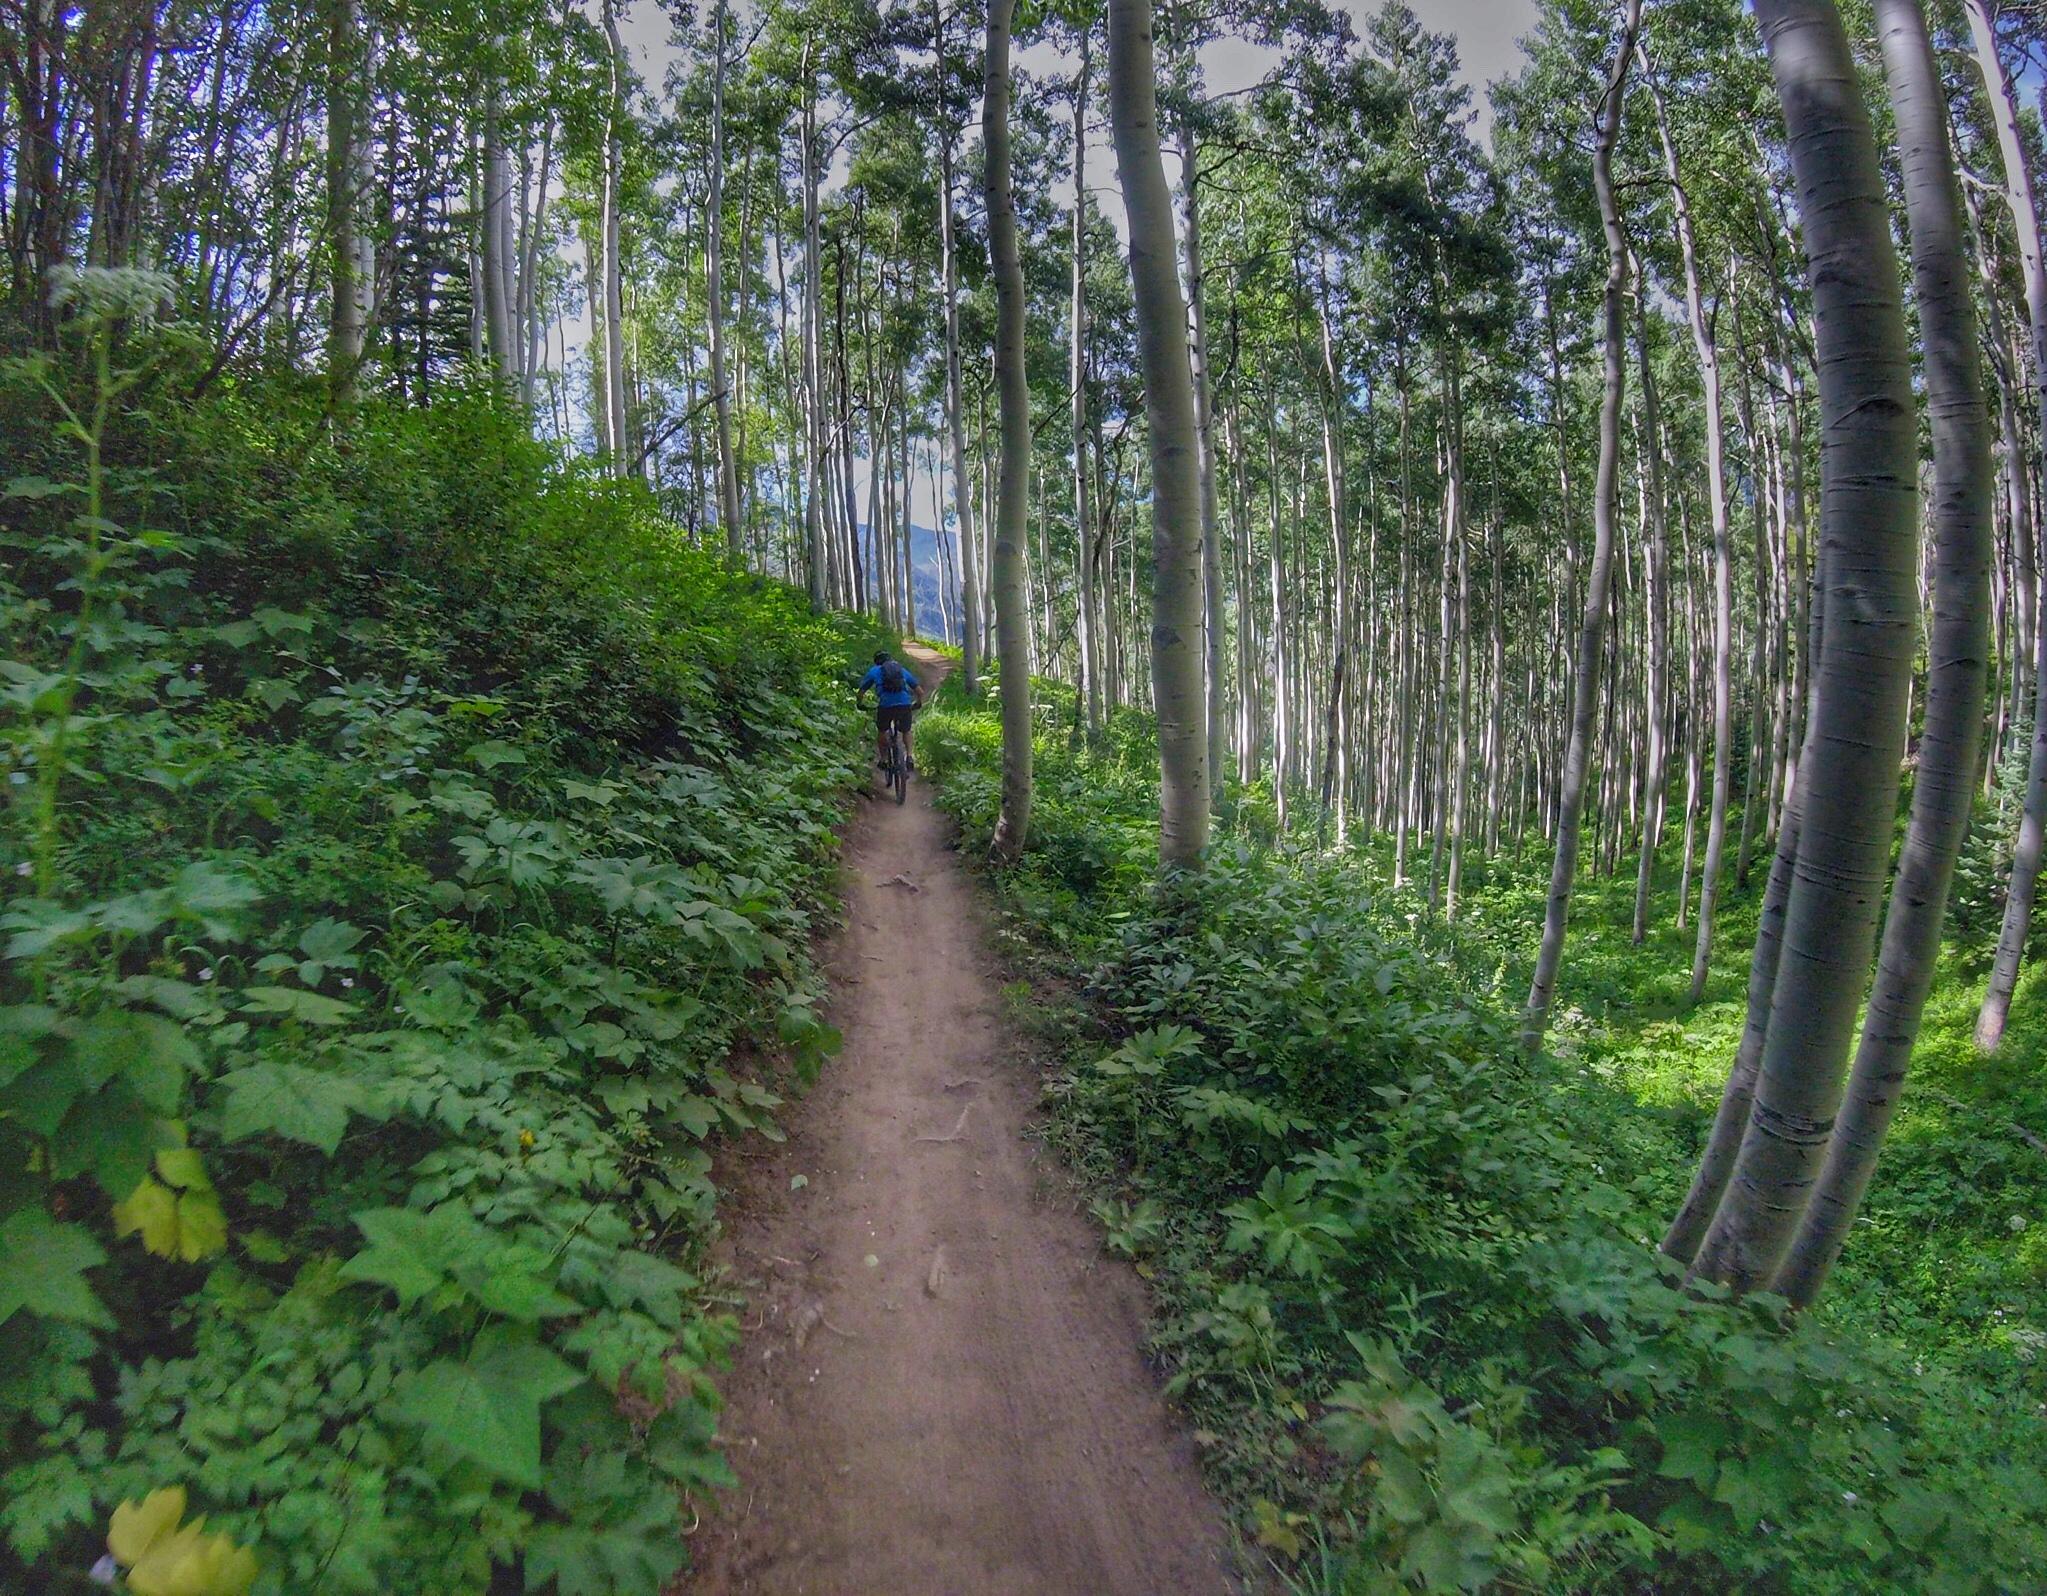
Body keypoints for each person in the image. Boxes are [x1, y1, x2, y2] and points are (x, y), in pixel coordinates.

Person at [857, 650, 924, 774]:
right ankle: (909, 756)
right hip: (904, 704)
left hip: (886, 705)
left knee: (882, 730)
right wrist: (918, 703)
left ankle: (884, 759)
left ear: (876, 662)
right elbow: (920, 692)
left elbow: (861, 691)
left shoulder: (874, 671)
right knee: (906, 730)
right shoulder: (902, 670)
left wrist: (859, 703)